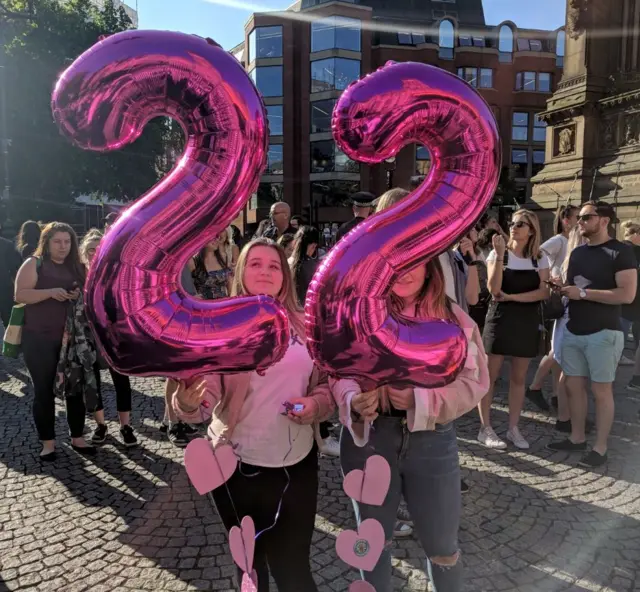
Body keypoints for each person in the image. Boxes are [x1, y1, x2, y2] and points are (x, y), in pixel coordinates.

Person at [173, 237, 334, 592]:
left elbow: (326, 385)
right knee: (250, 568)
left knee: (293, 568)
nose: (265, 271)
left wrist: (317, 406)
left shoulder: (307, 326)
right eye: (256, 263)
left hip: (297, 462)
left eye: (274, 265)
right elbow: (203, 399)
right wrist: (187, 401)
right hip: (235, 465)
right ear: (241, 271)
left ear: (285, 276)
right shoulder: (222, 327)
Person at [332, 255, 489, 592]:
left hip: (431, 441)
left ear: (429, 265)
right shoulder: (359, 314)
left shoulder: (451, 318)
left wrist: (422, 401)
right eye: (394, 264)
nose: (403, 272)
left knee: (443, 548)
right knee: (370, 543)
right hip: (370, 441)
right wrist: (352, 400)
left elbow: (474, 381)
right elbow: (338, 371)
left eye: (412, 261)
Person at [548, 202, 637, 467]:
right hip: (574, 327)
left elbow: (627, 294)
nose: (580, 222)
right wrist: (560, 287)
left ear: (605, 220)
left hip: (604, 332)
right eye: (580, 218)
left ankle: (600, 448)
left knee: (601, 391)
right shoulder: (577, 253)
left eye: (587, 217)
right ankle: (576, 438)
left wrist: (584, 294)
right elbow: (574, 288)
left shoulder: (621, 252)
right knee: (573, 388)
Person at [14, 222, 95, 460]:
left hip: (72, 339)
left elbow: (89, 294)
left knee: (75, 389)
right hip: (38, 339)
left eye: (67, 242)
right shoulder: (34, 263)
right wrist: (50, 292)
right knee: (43, 391)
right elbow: (20, 294)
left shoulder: (78, 266)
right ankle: (47, 443)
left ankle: (77, 437)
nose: (63, 247)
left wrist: (78, 294)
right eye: (57, 242)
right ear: (46, 243)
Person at [479, 209, 550, 450]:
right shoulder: (498, 255)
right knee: (490, 376)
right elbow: (494, 289)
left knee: (519, 378)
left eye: (521, 224)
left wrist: (513, 297)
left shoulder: (539, 257)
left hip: (526, 321)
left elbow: (544, 292)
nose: (514, 227)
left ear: (531, 230)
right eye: (512, 223)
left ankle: (513, 428)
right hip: (499, 320)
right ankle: (485, 428)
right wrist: (499, 256)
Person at [79, 231, 137, 447]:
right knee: (92, 382)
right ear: (84, 253)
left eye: (98, 248)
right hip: (87, 337)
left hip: (114, 336)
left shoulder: (115, 275)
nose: (94, 253)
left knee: (121, 381)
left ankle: (125, 426)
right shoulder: (78, 275)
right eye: (90, 249)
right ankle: (101, 425)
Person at [289, 225, 339, 458]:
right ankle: (323, 434)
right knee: (317, 380)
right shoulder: (314, 268)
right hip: (312, 328)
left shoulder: (289, 265)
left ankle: (314, 426)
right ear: (312, 245)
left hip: (291, 330)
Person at [526, 204, 579, 412]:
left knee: (557, 349)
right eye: (577, 217)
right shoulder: (559, 240)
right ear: (567, 220)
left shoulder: (572, 241)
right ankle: (536, 386)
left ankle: (556, 393)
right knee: (557, 349)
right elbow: (537, 254)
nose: (579, 221)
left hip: (565, 295)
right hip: (557, 297)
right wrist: (548, 277)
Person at [189, 227, 238, 300]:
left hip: (224, 307)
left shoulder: (224, 258)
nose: (217, 240)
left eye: (217, 237)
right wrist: (191, 297)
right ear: (203, 237)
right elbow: (182, 286)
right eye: (213, 237)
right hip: (204, 308)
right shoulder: (193, 262)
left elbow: (231, 289)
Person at [621, 220, 640, 391]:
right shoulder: (631, 250)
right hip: (629, 302)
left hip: (626, 302)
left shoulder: (619, 248)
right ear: (635, 234)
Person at [0, 221, 21, 328]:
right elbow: (15, 269)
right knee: (8, 321)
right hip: (4, 289)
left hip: (5, 289)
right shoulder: (7, 245)